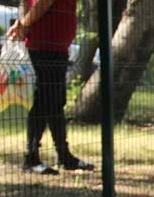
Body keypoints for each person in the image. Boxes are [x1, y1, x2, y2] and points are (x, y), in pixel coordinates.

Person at [6, 0, 94, 175]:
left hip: (57, 46)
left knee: (56, 101)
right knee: (45, 99)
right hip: (46, 44)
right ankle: (31, 157)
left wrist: (23, 23)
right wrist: (23, 24)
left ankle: (64, 155)